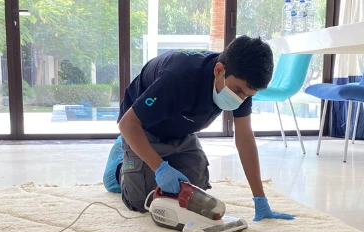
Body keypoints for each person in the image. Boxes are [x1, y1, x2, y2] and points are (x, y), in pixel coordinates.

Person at [103, 36, 295, 222]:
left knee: (194, 194)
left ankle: (154, 158)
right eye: (238, 91)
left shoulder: (242, 86)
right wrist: (160, 168)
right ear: (219, 70)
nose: (241, 99)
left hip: (181, 130)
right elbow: (128, 124)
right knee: (142, 199)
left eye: (247, 95)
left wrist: (259, 198)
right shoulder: (178, 77)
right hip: (142, 127)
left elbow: (245, 138)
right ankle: (119, 161)